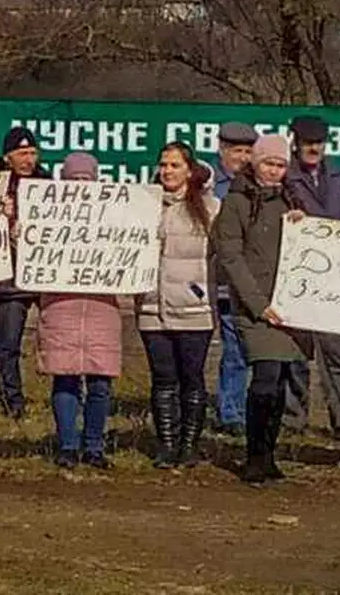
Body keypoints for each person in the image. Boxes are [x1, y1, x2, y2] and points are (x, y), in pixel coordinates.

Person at [213, 134, 313, 486]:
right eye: (269, 163)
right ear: (255, 163)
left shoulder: (291, 199)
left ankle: (269, 456)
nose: (274, 170)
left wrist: (304, 224)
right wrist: (257, 304)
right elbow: (230, 256)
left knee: (283, 380)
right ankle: (255, 457)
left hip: (288, 305)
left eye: (280, 165)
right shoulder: (237, 202)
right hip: (255, 307)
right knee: (266, 378)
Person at [283, 116, 340, 443]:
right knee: (296, 352)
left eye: (318, 142)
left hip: (334, 277)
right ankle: (293, 419)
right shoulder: (285, 176)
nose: (313, 148)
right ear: (296, 142)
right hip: (299, 275)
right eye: (307, 142)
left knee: (338, 353)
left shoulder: (337, 177)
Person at [137, 141, 220, 468]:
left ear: (189, 169)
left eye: (174, 165)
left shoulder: (211, 209)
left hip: (194, 310)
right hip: (152, 308)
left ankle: (189, 446)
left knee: (192, 378)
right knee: (162, 379)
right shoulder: (143, 206)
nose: (168, 171)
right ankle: (166, 446)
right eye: (164, 165)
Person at [35, 152, 121, 470]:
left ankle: (95, 446)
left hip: (102, 306)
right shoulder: (47, 213)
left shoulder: (116, 215)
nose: (82, 185)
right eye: (74, 179)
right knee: (65, 377)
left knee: (101, 381)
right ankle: (68, 445)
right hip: (61, 306)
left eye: (87, 179)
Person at [0, 127, 47, 419]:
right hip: (9, 279)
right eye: (22, 153)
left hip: (45, 275)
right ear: (7, 157)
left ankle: (66, 397)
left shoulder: (48, 185)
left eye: (33, 153)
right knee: (8, 344)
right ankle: (12, 402)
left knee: (59, 338)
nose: (29, 159)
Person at [211, 122, 258, 437]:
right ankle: (230, 412)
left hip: (252, 280)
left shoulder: (258, 185)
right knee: (232, 351)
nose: (242, 157)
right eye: (236, 150)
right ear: (222, 150)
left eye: (247, 151)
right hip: (219, 278)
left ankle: (243, 409)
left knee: (246, 349)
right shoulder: (210, 185)